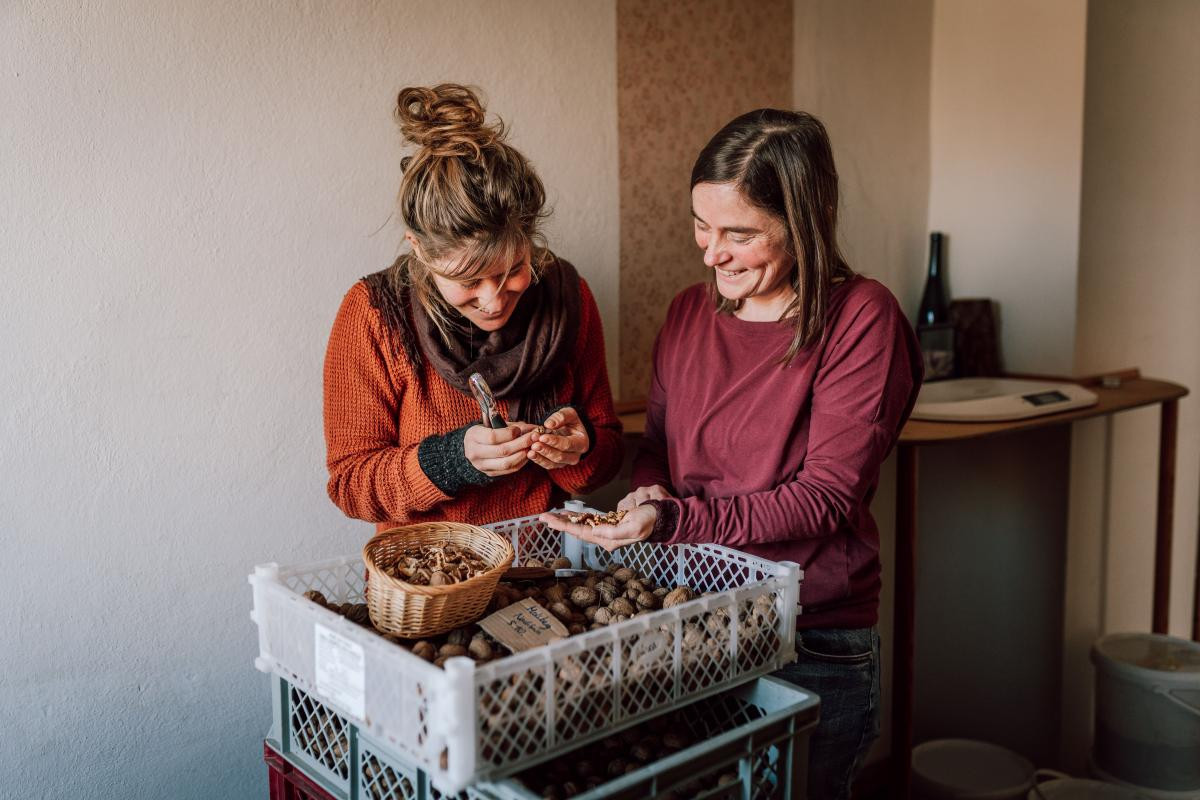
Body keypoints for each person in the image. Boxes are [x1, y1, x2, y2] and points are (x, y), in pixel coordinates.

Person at [543, 109, 922, 799]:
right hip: (690, 621)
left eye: (739, 234)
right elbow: (658, 449)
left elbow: (824, 498)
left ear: (809, 218)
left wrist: (674, 521)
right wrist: (649, 495)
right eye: (701, 225)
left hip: (807, 641)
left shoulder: (862, 320)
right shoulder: (690, 312)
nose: (711, 253)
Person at [324, 84, 622, 533]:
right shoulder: (375, 315)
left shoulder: (568, 298)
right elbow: (350, 485)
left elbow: (604, 461)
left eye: (513, 270)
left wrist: (582, 448)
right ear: (419, 250)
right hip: (428, 586)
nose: (493, 299)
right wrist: (451, 461)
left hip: (548, 575)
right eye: (467, 281)